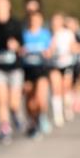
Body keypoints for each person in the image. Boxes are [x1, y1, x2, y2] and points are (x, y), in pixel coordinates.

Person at [0, 0, 24, 143]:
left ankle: (15, 114)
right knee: (1, 99)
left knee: (13, 103)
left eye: (1, 5)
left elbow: (22, 46)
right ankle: (5, 128)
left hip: (14, 68)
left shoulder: (16, 24)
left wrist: (16, 46)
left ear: (8, 6)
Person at [21, 10, 53, 140]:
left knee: (40, 98)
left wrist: (47, 52)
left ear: (41, 21)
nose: (34, 22)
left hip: (41, 69)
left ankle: (42, 116)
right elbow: (18, 49)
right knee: (30, 101)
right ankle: (33, 122)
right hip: (27, 70)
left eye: (37, 19)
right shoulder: (24, 35)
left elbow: (50, 50)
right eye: (32, 20)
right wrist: (21, 51)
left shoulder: (45, 34)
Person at [48, 12, 78, 126]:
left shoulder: (68, 33)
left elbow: (73, 45)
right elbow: (47, 50)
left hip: (67, 63)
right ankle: (57, 115)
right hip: (54, 65)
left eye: (58, 20)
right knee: (56, 89)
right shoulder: (49, 34)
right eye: (53, 21)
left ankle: (67, 107)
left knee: (65, 88)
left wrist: (73, 49)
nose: (55, 23)